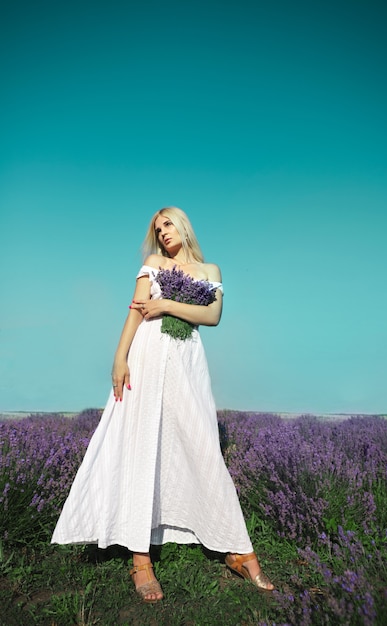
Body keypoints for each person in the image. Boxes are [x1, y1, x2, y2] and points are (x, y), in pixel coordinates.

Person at [51, 207, 274, 602]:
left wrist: (167, 305)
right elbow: (135, 315)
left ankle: (236, 548)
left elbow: (213, 315)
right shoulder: (153, 264)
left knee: (203, 447)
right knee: (141, 444)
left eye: (168, 224)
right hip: (147, 359)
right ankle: (140, 558)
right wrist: (119, 359)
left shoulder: (210, 270)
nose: (163, 232)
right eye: (158, 228)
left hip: (188, 362)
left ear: (184, 226)